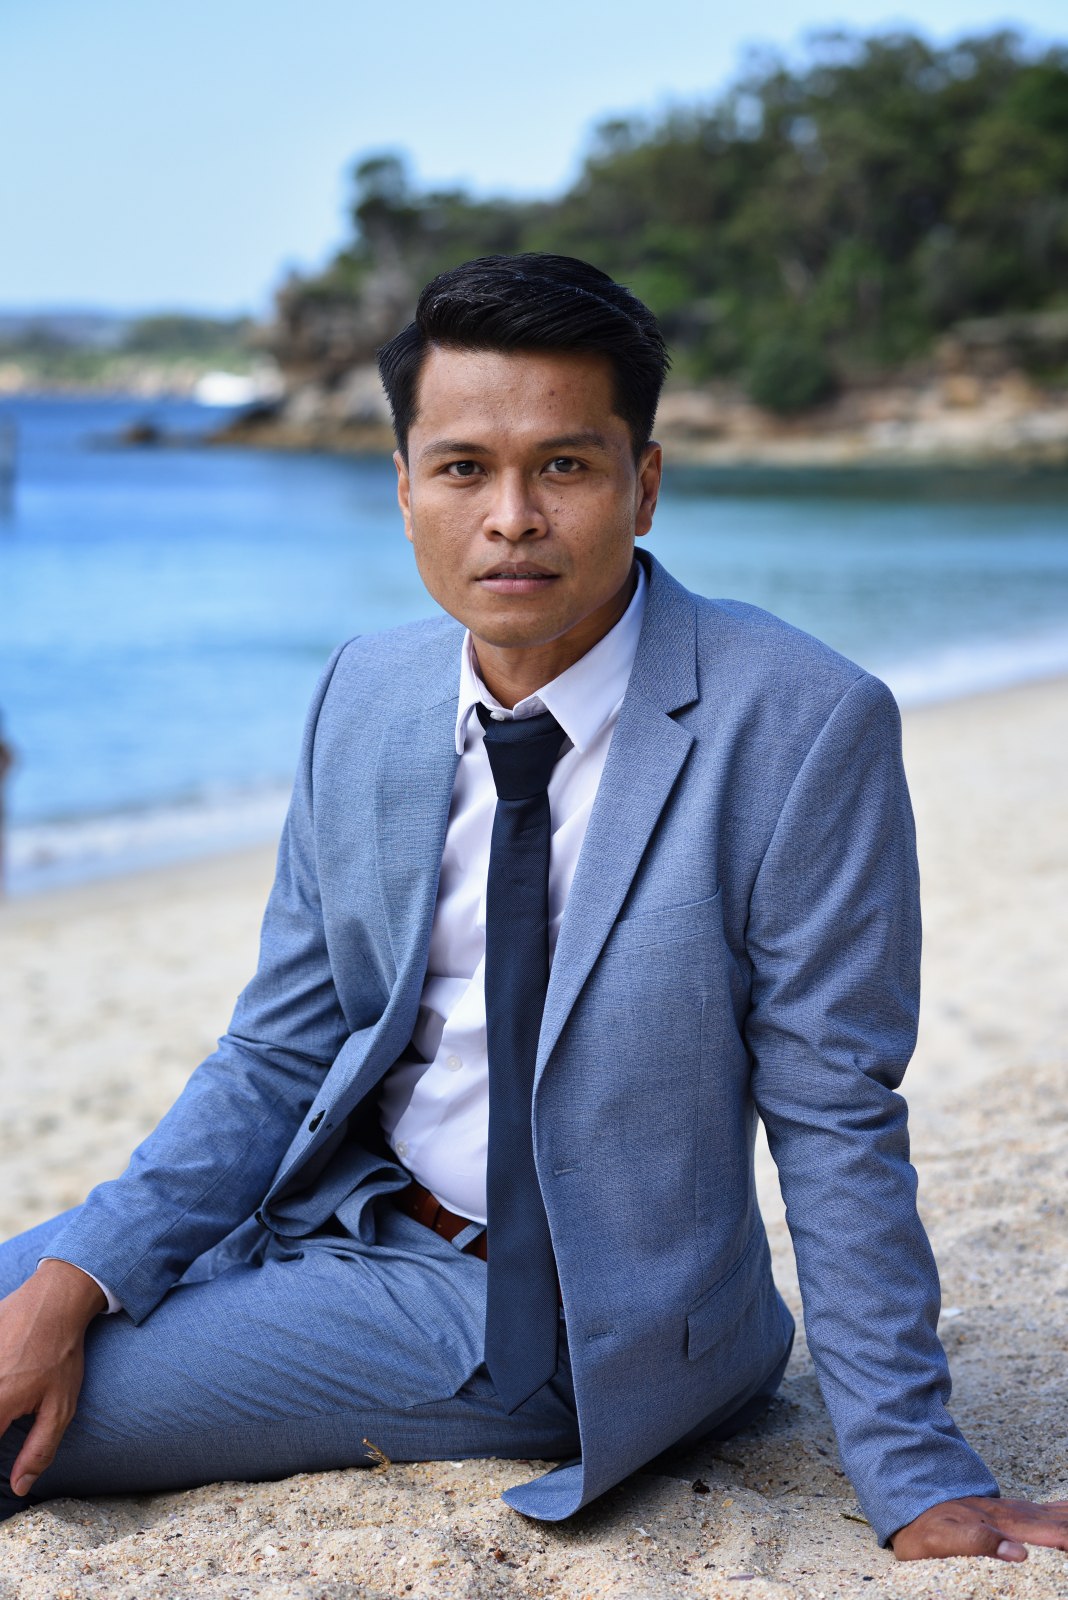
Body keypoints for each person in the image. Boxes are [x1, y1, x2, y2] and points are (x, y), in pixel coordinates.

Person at [0, 254, 1064, 1566]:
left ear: (646, 483)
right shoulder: (367, 693)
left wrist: (914, 1476)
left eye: (563, 465)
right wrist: (76, 1281)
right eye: (462, 469)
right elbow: (280, 1049)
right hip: (332, 1216)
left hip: (563, 1317)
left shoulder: (798, 724)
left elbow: (835, 1109)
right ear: (402, 490)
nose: (511, 516)